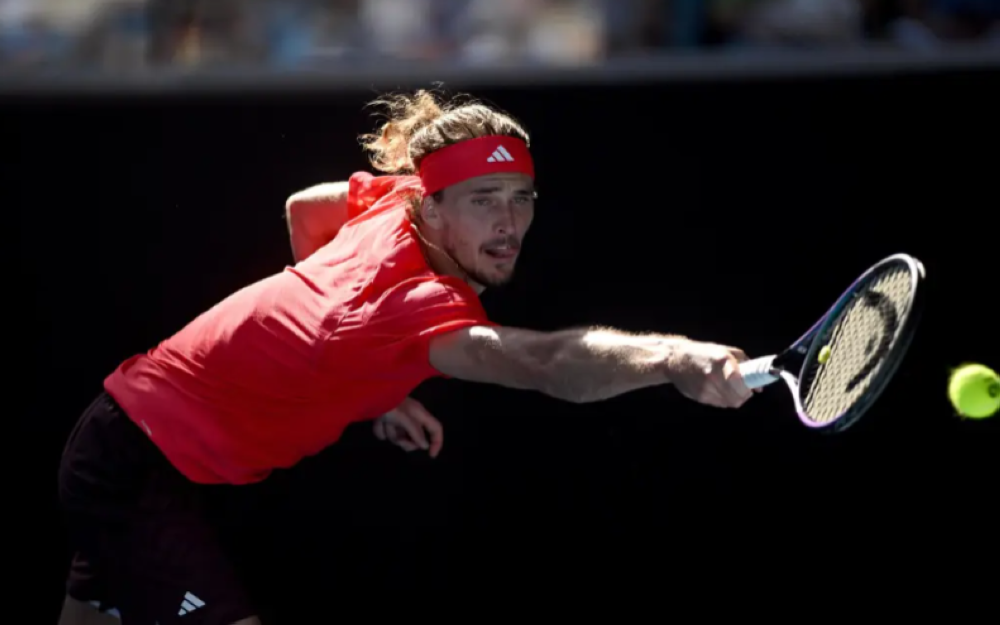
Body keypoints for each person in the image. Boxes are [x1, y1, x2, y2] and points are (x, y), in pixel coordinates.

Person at [57, 89, 755, 625]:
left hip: (141, 442)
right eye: (485, 201)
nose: (509, 225)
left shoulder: (392, 203)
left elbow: (304, 208)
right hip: (138, 465)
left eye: (521, 199)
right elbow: (545, 364)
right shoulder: (412, 304)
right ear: (435, 206)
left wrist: (362, 377)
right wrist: (675, 358)